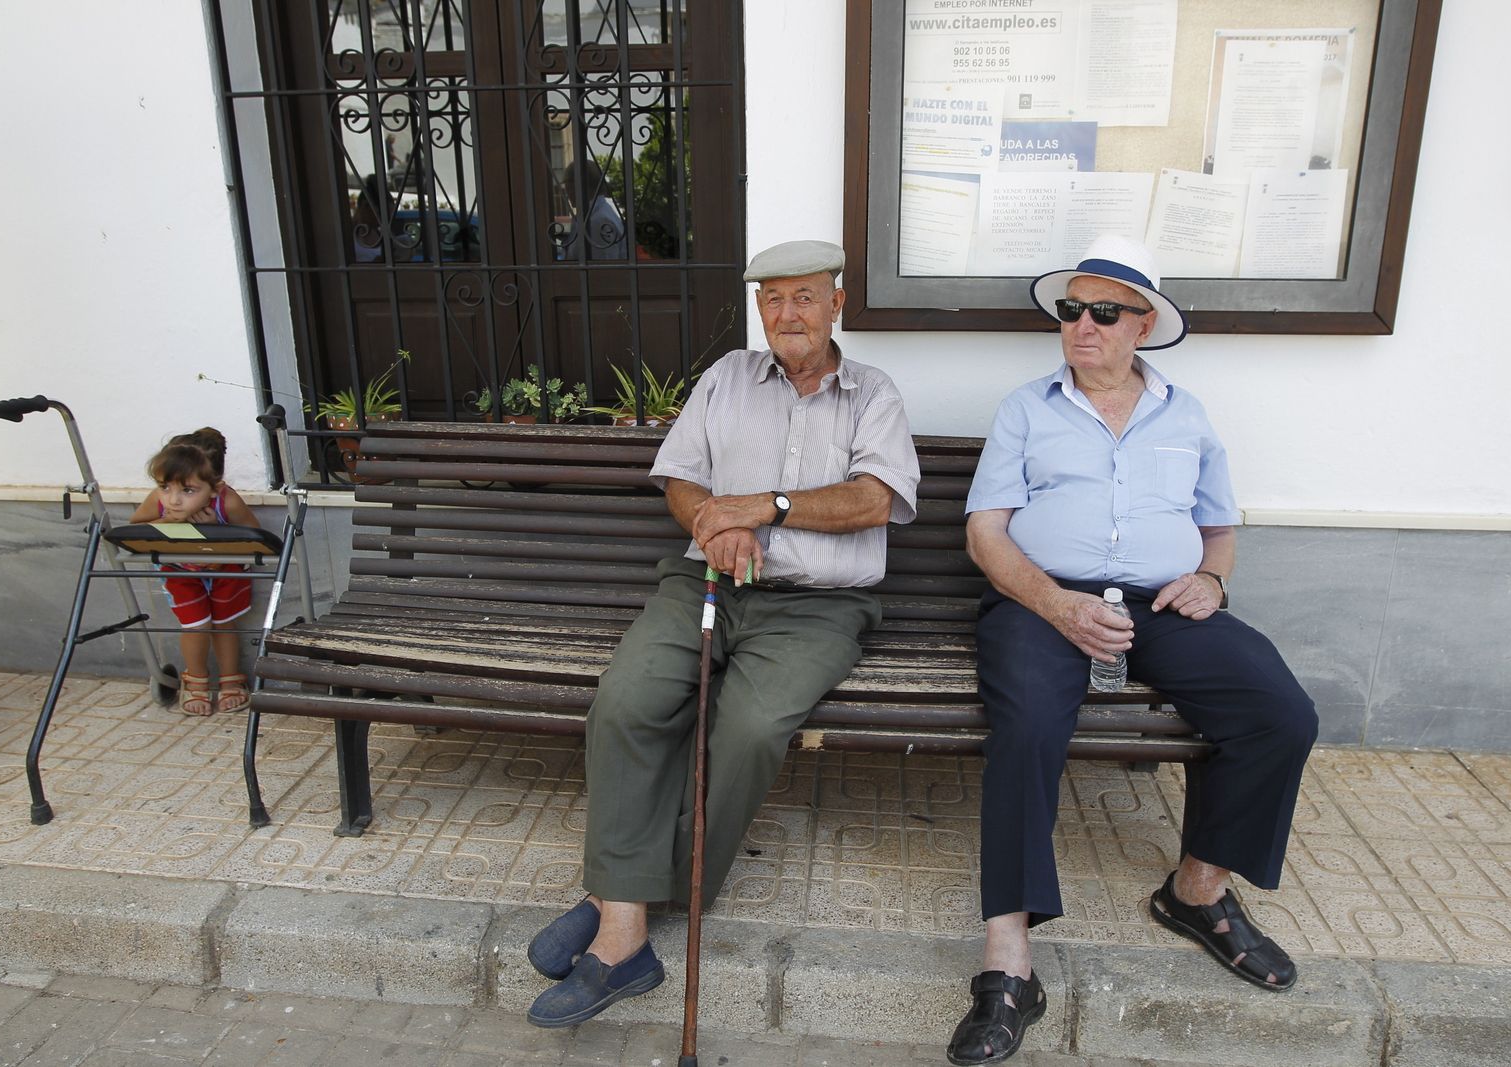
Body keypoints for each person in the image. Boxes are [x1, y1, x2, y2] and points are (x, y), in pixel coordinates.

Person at [524, 239, 921, 1028]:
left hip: (817, 604)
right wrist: (714, 528)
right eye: (771, 299)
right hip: (708, 580)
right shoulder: (728, 378)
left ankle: (618, 898)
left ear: (836, 304)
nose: (786, 314)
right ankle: (627, 927)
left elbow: (876, 499)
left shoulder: (872, 394)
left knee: (748, 726)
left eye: (803, 297)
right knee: (628, 701)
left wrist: (765, 506)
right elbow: (683, 479)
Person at [948, 235, 1317, 1066]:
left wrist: (1213, 583)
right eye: (1071, 309)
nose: (1082, 324)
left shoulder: (1186, 415)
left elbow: (1218, 524)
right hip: (1042, 599)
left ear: (1142, 325)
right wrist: (1056, 602)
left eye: (1103, 311)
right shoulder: (1027, 409)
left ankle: (1197, 893)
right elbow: (985, 530)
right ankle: (1009, 959)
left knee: (1280, 713)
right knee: (1030, 725)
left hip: (1163, 603)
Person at [129, 428, 261, 717]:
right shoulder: (163, 499)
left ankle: (231, 680)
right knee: (195, 625)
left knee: (224, 624)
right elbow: (137, 524)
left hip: (226, 570)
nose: (174, 499)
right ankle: (195, 681)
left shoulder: (227, 501)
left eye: (187, 490)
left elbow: (255, 536)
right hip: (180, 569)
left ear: (213, 487)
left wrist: (218, 529)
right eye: (166, 487)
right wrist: (166, 521)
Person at [557, 160, 628, 261]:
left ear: (581, 185)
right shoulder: (591, 215)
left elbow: (601, 269)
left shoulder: (598, 221)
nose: (567, 192)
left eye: (568, 185)